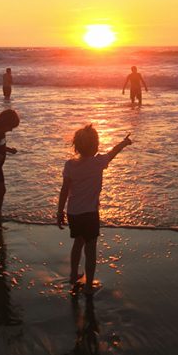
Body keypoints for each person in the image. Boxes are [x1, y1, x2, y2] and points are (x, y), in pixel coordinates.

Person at [57, 125, 132, 295]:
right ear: (96, 145)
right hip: (90, 213)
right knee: (90, 249)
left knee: (78, 242)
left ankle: (73, 275)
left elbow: (64, 190)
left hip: (73, 212)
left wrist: (59, 211)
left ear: (76, 146)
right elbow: (113, 153)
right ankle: (89, 285)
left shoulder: (70, 165)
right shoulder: (98, 162)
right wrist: (124, 142)